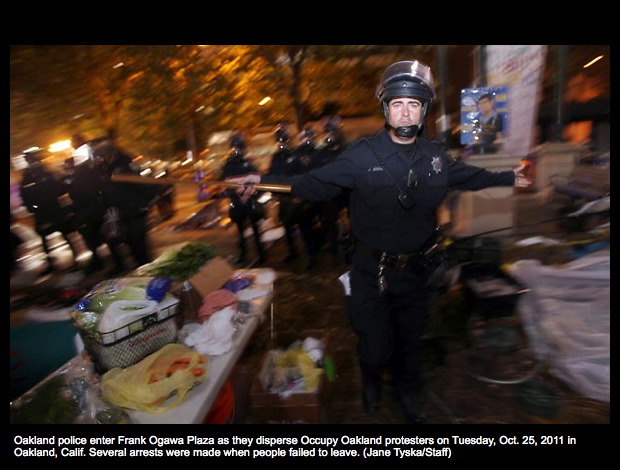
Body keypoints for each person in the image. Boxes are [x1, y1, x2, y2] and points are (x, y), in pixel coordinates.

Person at [226, 59, 530, 424]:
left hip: (416, 272)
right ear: (386, 109)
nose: (405, 113)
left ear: (423, 110)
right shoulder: (360, 155)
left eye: (413, 104)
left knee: (409, 341)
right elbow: (313, 183)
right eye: (398, 104)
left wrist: (509, 177)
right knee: (373, 343)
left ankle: (405, 392)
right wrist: (260, 180)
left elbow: (470, 176)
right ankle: (370, 381)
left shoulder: (435, 157)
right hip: (371, 271)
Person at [91, 138, 158, 271]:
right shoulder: (108, 169)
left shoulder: (126, 166)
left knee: (140, 248)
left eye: (103, 156)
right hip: (122, 214)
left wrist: (144, 204)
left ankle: (149, 273)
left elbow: (144, 186)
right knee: (130, 245)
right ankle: (141, 272)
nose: (102, 159)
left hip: (135, 212)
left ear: (111, 153)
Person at [19, 147, 80, 274]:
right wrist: (32, 207)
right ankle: (52, 264)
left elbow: (59, 187)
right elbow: (25, 193)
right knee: (46, 237)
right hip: (43, 211)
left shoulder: (45, 171)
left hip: (53, 208)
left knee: (64, 233)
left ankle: (74, 261)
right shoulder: (28, 174)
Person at [219, 131, 266, 265]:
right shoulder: (231, 163)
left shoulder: (245, 162)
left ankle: (258, 254)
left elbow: (256, 180)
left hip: (246, 199)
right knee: (243, 230)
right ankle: (248, 254)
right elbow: (225, 182)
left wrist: (245, 195)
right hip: (241, 200)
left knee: (252, 229)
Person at [267, 122, 302, 263]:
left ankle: (311, 252)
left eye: (283, 138)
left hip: (295, 196)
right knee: (286, 226)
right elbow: (271, 175)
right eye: (279, 139)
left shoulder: (295, 155)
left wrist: (300, 193)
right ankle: (292, 251)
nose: (281, 142)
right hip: (283, 198)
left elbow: (301, 174)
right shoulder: (275, 157)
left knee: (302, 225)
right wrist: (273, 193)